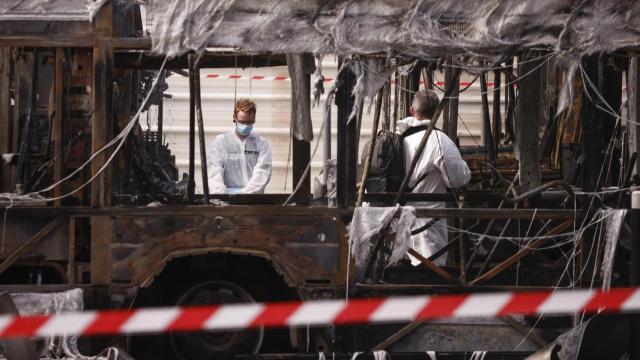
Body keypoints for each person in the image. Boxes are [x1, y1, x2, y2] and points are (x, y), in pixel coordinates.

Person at [396, 90, 471, 266]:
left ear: (412, 111)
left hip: (397, 227)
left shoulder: (397, 138)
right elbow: (458, 179)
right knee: (430, 280)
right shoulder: (439, 140)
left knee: (399, 279)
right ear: (438, 111)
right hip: (427, 229)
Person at [207, 99, 272, 194]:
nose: (245, 126)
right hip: (226, 199)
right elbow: (214, 170)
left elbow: (262, 172)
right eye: (242, 122)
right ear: (234, 118)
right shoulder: (221, 142)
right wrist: (220, 196)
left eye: (249, 122)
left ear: (254, 119)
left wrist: (246, 194)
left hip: (253, 199)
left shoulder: (261, 143)